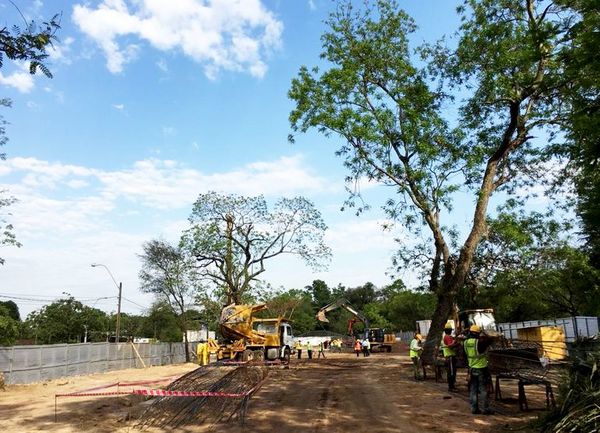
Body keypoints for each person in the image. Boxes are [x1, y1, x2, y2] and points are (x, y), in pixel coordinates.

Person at [464, 325, 494, 415]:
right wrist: (485, 333)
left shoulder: (465, 342)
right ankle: (485, 409)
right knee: (483, 389)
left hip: (471, 369)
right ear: (478, 333)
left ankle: (474, 409)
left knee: (473, 389)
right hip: (481, 368)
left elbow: (464, 355)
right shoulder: (479, 343)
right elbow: (490, 340)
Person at [441, 323, 460, 391]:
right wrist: (457, 343)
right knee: (451, 372)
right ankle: (451, 387)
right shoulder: (447, 337)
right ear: (449, 330)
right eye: (450, 330)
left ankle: (452, 386)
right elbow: (450, 346)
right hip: (450, 357)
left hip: (450, 357)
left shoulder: (448, 336)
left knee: (452, 372)